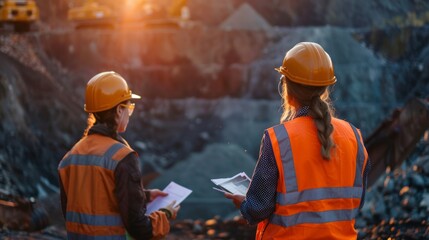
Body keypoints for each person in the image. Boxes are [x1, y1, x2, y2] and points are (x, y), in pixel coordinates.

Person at [225, 42, 370, 239]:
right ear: (325, 90)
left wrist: (244, 204)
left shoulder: (279, 139)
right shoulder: (354, 136)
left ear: (286, 88)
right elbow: (356, 202)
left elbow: (258, 209)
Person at [58, 71, 180, 239]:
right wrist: (165, 213)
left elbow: (90, 203)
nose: (129, 114)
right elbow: (139, 228)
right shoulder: (123, 157)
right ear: (118, 111)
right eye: (129, 108)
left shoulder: (70, 157)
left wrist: (144, 196)